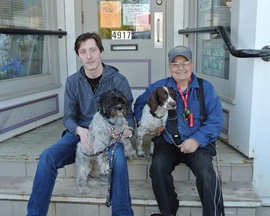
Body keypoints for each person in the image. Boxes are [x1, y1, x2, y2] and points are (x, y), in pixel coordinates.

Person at [27, 32, 135, 216]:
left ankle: (123, 213)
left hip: (110, 135)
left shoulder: (118, 80)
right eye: (83, 51)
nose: (89, 56)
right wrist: (79, 130)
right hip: (81, 134)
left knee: (117, 158)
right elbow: (68, 117)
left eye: (93, 50)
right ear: (78, 55)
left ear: (101, 51)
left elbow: (130, 114)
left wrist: (128, 130)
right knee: (47, 157)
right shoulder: (72, 82)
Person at [134, 45, 224, 216]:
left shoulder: (206, 88)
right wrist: (143, 122)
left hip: (198, 143)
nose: (180, 68)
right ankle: (168, 212)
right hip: (168, 141)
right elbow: (139, 104)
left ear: (192, 64)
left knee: (207, 174)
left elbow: (216, 119)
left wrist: (197, 140)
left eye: (185, 62)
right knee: (158, 168)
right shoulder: (160, 86)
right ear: (169, 67)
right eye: (175, 64)